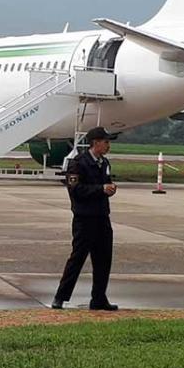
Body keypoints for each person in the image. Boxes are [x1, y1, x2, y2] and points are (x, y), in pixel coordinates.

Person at [52, 126, 119, 311]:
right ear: (95, 143)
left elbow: (104, 184)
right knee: (77, 259)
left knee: (104, 259)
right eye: (105, 142)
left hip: (102, 217)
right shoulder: (78, 163)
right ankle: (60, 297)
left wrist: (109, 189)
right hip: (84, 219)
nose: (108, 145)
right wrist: (100, 189)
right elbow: (75, 190)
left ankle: (99, 298)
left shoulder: (104, 163)